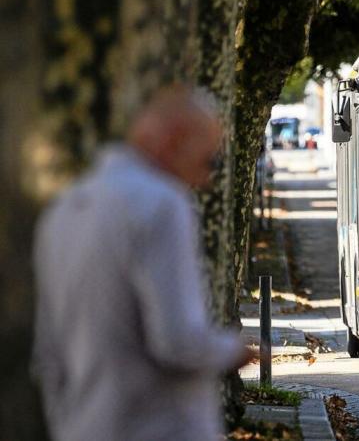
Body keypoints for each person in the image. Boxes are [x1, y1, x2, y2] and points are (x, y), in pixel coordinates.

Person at [32, 85, 253, 441]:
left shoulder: (65, 209)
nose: (208, 178)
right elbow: (178, 343)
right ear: (176, 139)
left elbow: (47, 353)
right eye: (210, 160)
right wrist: (235, 349)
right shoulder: (162, 204)